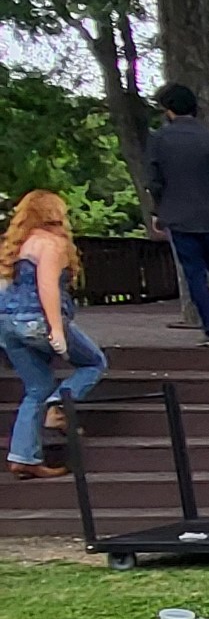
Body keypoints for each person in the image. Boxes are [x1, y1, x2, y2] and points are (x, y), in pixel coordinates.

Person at [0, 190, 107, 481]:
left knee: (36, 386)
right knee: (93, 362)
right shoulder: (51, 244)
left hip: (8, 325)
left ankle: (23, 457)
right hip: (38, 322)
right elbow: (47, 286)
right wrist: (56, 330)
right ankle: (57, 406)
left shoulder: (16, 245)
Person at [146, 83, 209, 346]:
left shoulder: (159, 140)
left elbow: (155, 182)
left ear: (168, 110)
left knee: (195, 275)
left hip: (179, 217)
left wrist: (157, 212)